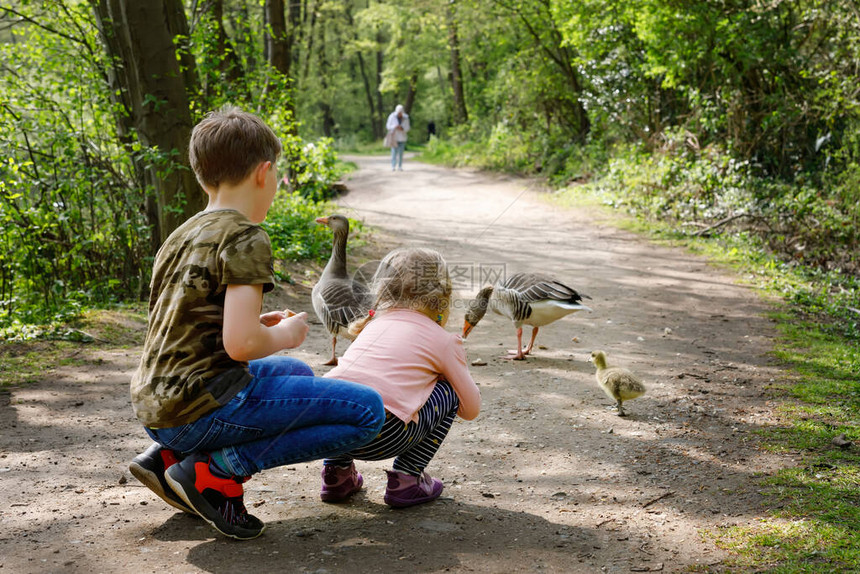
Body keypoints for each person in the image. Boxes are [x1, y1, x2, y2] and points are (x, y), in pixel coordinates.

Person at [127, 106, 386, 541]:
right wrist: (283, 334)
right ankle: (217, 473)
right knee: (367, 411)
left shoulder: (180, 235)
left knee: (298, 373)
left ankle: (167, 457)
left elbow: (182, 321)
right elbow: (242, 344)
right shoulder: (246, 236)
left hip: (157, 405)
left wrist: (256, 322)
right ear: (264, 173)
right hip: (200, 407)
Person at [319, 247, 481, 508]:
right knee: (450, 391)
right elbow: (470, 409)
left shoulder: (371, 327)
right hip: (384, 435)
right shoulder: (443, 340)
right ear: (443, 295)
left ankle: (336, 476)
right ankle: (407, 479)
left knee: (345, 396)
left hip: (325, 429)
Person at [385, 104, 410, 171]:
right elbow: (388, 126)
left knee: (401, 153)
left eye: (400, 113)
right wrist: (395, 127)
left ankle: (400, 166)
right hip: (394, 137)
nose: (399, 114)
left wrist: (402, 128)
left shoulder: (406, 118)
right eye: (398, 113)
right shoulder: (391, 116)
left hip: (402, 137)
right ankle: (393, 166)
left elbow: (407, 128)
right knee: (394, 152)